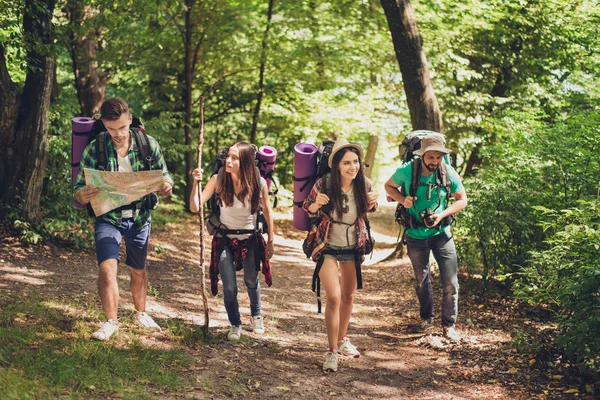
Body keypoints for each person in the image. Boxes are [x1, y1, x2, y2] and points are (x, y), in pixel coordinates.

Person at [73, 97, 173, 341]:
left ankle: (141, 313)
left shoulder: (148, 144)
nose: (117, 134)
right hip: (108, 218)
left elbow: (166, 176)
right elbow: (77, 188)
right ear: (104, 125)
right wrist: (82, 194)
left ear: (129, 119)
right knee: (107, 269)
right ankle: (111, 321)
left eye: (121, 127)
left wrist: (166, 185)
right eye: (111, 128)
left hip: (139, 218)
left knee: (138, 269)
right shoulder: (95, 148)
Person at [303, 138, 378, 373]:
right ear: (336, 165)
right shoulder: (323, 183)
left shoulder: (364, 184)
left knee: (348, 297)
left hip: (353, 247)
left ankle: (343, 338)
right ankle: (332, 351)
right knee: (334, 298)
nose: (352, 167)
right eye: (346, 163)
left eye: (355, 162)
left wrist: (372, 203)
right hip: (327, 246)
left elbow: (370, 208)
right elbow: (307, 207)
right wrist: (316, 205)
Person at [384, 133, 468, 342]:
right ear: (422, 155)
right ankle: (426, 321)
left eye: (438, 158)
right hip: (415, 235)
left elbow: (462, 200)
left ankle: (449, 326)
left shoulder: (448, 172)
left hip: (442, 234)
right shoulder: (408, 170)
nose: (434, 162)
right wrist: (403, 200)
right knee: (422, 281)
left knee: (451, 282)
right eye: (431, 158)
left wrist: (441, 215)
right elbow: (388, 186)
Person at [189, 142, 274, 341]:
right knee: (229, 287)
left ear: (244, 161)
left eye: (234, 158)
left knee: (251, 280)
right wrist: (195, 184)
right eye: (228, 156)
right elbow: (195, 207)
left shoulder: (258, 182)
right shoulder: (218, 179)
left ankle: (256, 315)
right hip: (225, 239)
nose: (228, 161)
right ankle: (235, 323)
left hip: (251, 238)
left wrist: (271, 240)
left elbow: (268, 212)